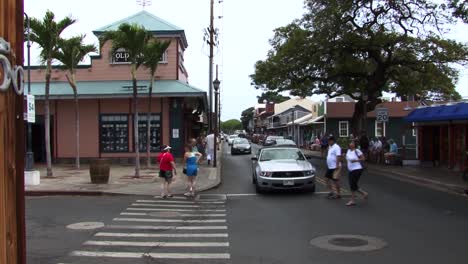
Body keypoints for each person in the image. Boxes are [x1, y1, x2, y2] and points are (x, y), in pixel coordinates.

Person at [345, 140, 369, 206]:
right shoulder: (348, 151)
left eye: (352, 143)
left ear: (355, 144)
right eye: (350, 143)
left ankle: (352, 200)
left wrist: (356, 160)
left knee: (352, 184)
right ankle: (364, 193)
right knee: (353, 184)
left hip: (357, 169)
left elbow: (363, 158)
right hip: (351, 170)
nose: (351, 144)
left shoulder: (357, 151)